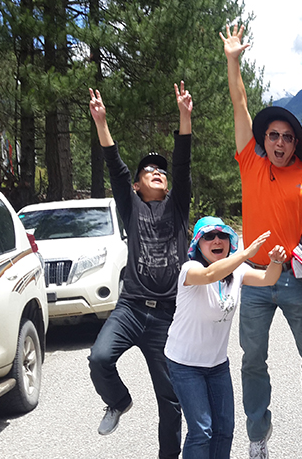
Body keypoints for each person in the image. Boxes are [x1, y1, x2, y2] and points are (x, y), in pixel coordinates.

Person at [219, 24, 302, 459]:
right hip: (254, 280)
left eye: (288, 137)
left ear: (295, 142)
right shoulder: (251, 162)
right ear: (263, 139)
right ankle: (258, 436)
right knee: (252, 361)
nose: (280, 142)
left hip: (293, 279)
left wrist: (299, 256)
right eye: (273, 135)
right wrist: (233, 61)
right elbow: (240, 104)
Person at [87, 83, 192, 459]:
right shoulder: (131, 206)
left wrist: (184, 117)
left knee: (171, 400)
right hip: (131, 307)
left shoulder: (177, 205)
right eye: (149, 170)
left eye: (161, 170)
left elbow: (182, 163)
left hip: (167, 315)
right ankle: (118, 401)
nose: (158, 172)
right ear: (136, 185)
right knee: (99, 358)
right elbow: (115, 167)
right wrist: (101, 122)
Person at [164, 216, 287, 459]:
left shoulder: (237, 271)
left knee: (224, 430)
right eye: (209, 237)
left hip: (217, 365)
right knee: (202, 431)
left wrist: (275, 261)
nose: (217, 240)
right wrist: (245, 254)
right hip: (185, 364)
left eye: (222, 236)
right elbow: (210, 275)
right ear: (198, 244)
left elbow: (268, 279)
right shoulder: (191, 269)